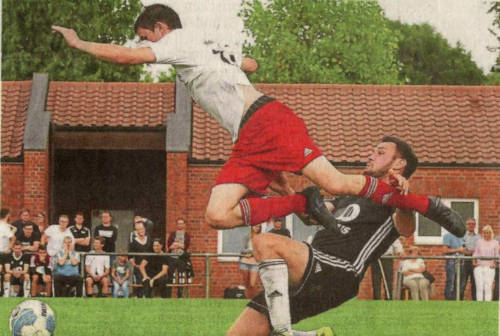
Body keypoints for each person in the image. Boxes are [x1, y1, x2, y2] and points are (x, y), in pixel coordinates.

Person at [52, 4, 465, 239]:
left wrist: (77, 42)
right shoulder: (206, 44)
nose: (145, 45)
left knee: (337, 182)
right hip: (248, 137)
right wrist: (285, 190)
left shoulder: (177, 39)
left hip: (266, 120)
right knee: (217, 214)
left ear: (161, 28)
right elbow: (251, 62)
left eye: (147, 36)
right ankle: (302, 202)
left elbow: (126, 57)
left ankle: (428, 205)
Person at [225, 136, 418, 336]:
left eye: (380, 152)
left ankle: (284, 334)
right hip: (313, 268)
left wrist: (403, 201)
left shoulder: (397, 200)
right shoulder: (352, 194)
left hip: (340, 271)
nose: (371, 155)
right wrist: (285, 190)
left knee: (264, 242)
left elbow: (407, 229)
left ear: (399, 164)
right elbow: (313, 217)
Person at [473, 225, 500, 301]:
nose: (486, 234)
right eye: (484, 233)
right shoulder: (479, 242)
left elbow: (497, 255)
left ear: (491, 233)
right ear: (482, 233)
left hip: (489, 267)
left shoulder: (495, 243)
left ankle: (487, 304)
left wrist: (494, 264)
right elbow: (475, 254)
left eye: (488, 233)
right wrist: (474, 263)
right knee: (479, 286)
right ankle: (479, 304)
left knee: (488, 287)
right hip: (479, 266)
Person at [166, 217, 192, 298]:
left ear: (184, 225)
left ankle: (180, 295)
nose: (180, 225)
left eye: (181, 223)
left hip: (182, 258)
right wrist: (179, 245)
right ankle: (168, 295)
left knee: (181, 276)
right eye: (178, 223)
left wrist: (176, 245)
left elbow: (186, 246)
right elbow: (169, 245)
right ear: (176, 225)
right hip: (172, 258)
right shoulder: (173, 234)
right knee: (170, 275)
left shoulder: (186, 235)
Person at [128, 221, 152, 298]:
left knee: (149, 284)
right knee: (140, 286)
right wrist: (135, 265)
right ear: (136, 230)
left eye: (142, 228)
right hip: (138, 267)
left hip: (149, 266)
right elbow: (130, 256)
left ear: (145, 228)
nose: (140, 231)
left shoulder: (149, 238)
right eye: (138, 229)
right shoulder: (133, 242)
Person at [240, 224, 262, 299]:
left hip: (255, 262)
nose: (257, 228)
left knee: (252, 284)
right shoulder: (247, 236)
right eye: (256, 226)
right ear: (252, 227)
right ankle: (247, 300)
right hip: (245, 262)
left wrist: (251, 253)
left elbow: (259, 250)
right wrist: (248, 252)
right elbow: (242, 249)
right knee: (246, 284)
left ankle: (254, 299)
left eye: (259, 227)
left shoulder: (261, 238)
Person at [442, 231, 466, 300]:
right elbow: (444, 250)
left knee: (461, 283)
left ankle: (457, 301)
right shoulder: (447, 235)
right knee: (451, 283)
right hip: (451, 262)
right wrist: (458, 249)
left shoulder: (462, 237)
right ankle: (449, 302)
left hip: (461, 262)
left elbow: (463, 249)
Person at [462, 218, 480, 300]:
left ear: (475, 225)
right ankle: (459, 301)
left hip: (476, 262)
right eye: (469, 224)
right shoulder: (463, 236)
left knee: (475, 283)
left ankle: (475, 301)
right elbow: (463, 250)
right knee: (463, 283)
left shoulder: (479, 237)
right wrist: (471, 252)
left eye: (473, 224)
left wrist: (471, 251)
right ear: (466, 225)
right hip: (465, 261)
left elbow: (480, 250)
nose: (471, 225)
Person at [0, 208, 16, 296]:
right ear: (7, 215)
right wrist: (9, 248)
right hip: (4, 252)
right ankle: (6, 293)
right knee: (7, 272)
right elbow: (13, 238)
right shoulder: (5, 226)